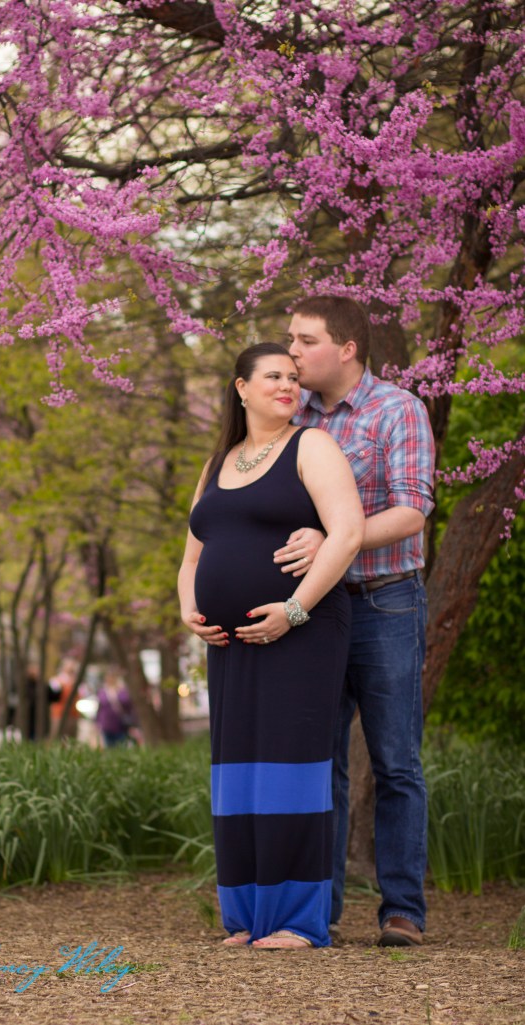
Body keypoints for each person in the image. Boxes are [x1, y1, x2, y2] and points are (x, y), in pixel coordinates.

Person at [178, 343, 364, 949]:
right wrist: (188, 609)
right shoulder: (220, 461)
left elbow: (348, 531)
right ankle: (247, 918)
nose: (288, 385)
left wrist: (293, 609)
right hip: (230, 643)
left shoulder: (312, 445)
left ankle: (297, 922)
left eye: (293, 377)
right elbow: (192, 557)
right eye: (273, 377)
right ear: (241, 388)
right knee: (238, 775)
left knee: (292, 769)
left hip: (302, 633)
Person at [274, 295, 435, 947]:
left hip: (386, 600)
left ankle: (403, 910)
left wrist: (337, 539)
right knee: (320, 762)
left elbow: (412, 511)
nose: (291, 352)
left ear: (346, 348)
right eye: (289, 339)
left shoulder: (397, 408)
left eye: (305, 340)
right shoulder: (292, 416)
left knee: (396, 760)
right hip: (315, 606)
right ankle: (321, 912)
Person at [96, 667, 137, 747]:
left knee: (121, 745)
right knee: (109, 746)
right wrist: (97, 722)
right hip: (106, 724)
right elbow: (99, 708)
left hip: (120, 724)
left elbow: (128, 705)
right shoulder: (102, 691)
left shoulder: (122, 690)